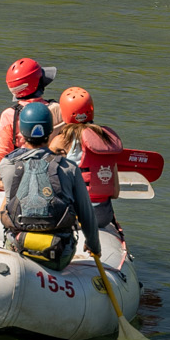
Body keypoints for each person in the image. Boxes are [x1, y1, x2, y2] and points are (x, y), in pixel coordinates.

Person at [0, 100, 103, 271]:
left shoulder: (7, 164)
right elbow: (86, 213)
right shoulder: (69, 168)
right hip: (58, 254)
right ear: (50, 131)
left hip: (18, 249)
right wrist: (94, 246)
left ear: (22, 133)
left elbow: (11, 205)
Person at [49, 86, 128, 243]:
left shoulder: (61, 140)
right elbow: (115, 193)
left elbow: (43, 169)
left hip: (75, 216)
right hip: (103, 216)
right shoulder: (106, 139)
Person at [0, 55, 56, 180]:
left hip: (24, 174)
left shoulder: (10, 115)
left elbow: (1, 156)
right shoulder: (57, 108)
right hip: (53, 170)